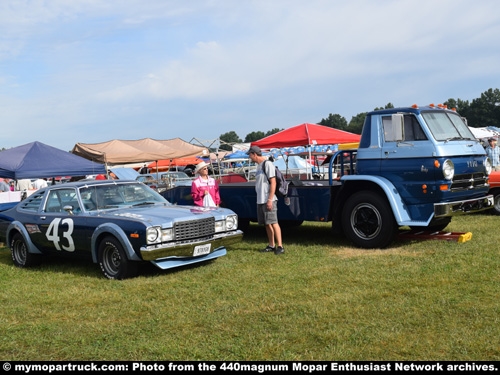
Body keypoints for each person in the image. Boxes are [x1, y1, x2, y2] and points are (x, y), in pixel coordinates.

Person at [246, 145, 284, 255]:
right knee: (267, 223)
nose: (250, 158)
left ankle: (280, 246)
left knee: (274, 222)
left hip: (268, 199)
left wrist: (270, 199)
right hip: (260, 199)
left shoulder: (267, 164)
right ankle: (271, 245)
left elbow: (273, 182)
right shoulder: (259, 166)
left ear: (254, 154)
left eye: (250, 155)